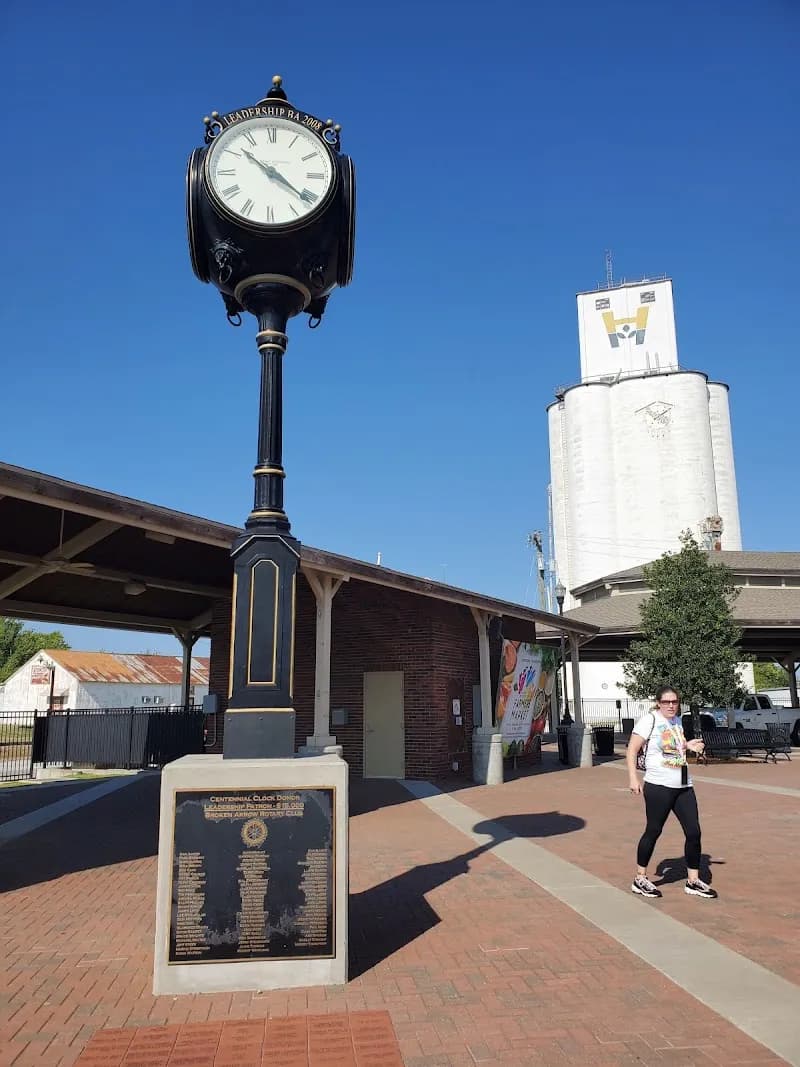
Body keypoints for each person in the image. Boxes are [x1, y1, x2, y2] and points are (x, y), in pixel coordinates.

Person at [626, 685, 717, 900]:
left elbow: (673, 747)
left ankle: (693, 881)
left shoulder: (677, 722)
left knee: (694, 832)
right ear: (658, 703)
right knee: (654, 830)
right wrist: (633, 778)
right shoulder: (650, 720)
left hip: (683, 785)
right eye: (666, 702)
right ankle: (640, 878)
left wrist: (688, 745)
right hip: (659, 785)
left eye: (674, 702)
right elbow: (632, 749)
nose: (671, 705)